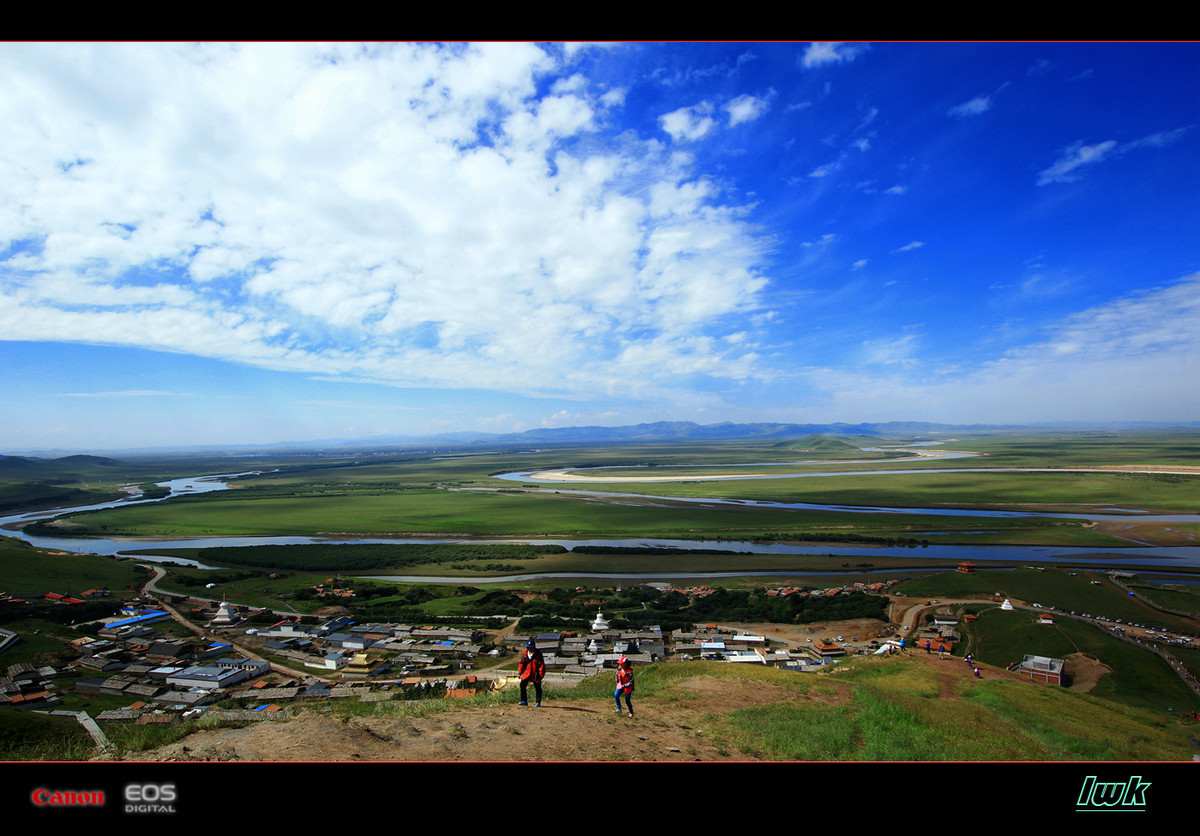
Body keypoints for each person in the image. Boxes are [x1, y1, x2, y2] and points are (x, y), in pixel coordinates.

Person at [517, 639, 545, 706]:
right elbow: (521, 663)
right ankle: (524, 700)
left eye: (530, 647)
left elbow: (542, 666)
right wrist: (519, 672)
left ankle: (538, 702)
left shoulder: (538, 654)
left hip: (535, 673)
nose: (529, 649)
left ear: (534, 647)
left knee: (537, 687)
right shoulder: (525, 654)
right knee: (522, 685)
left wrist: (540, 676)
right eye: (528, 647)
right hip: (527, 673)